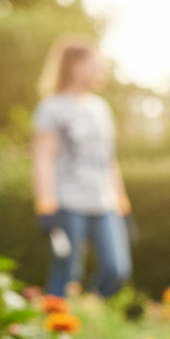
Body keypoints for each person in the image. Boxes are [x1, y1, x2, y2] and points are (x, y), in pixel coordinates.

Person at [32, 34, 132, 298]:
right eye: (96, 64)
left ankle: (86, 313)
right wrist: (46, 205)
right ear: (75, 65)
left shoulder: (101, 108)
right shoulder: (51, 108)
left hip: (104, 203)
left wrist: (123, 204)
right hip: (68, 203)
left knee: (117, 269)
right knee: (67, 273)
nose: (103, 71)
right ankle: (56, 331)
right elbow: (43, 159)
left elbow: (109, 160)